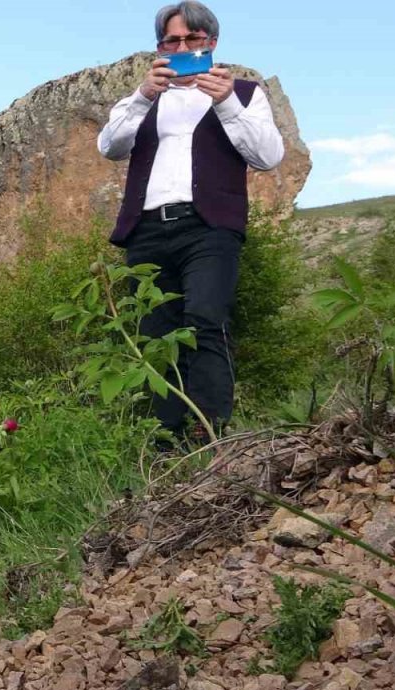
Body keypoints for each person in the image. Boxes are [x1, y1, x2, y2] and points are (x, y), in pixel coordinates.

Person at [97, 1, 284, 440]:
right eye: (172, 41)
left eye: (192, 40)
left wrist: (225, 105)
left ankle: (212, 435)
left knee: (205, 319)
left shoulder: (244, 93)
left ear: (211, 43)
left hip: (210, 226)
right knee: (155, 335)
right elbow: (110, 146)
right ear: (160, 46)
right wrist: (143, 96)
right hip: (146, 230)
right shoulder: (140, 99)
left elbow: (268, 156)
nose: (182, 47)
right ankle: (166, 441)